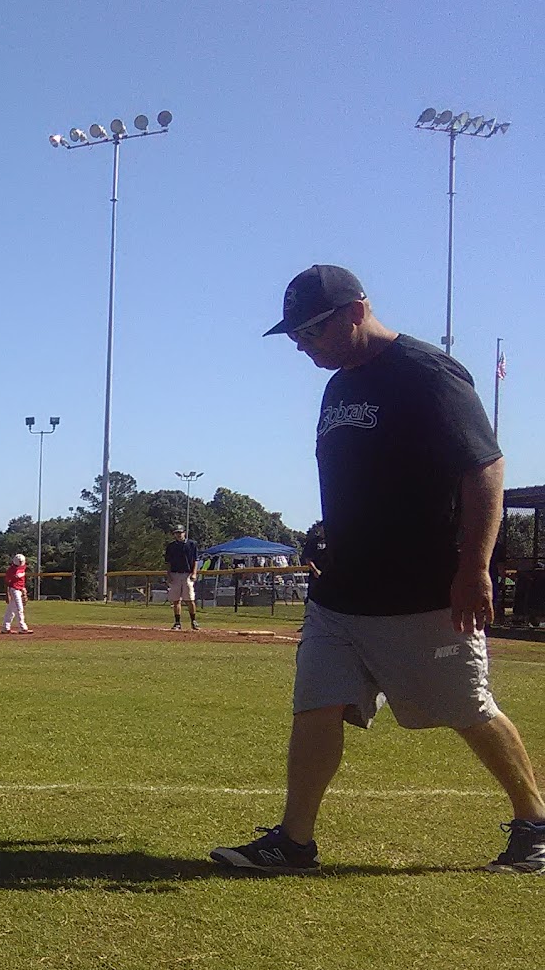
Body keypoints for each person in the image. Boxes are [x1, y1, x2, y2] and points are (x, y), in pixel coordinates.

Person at [213, 264, 545, 874]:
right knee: (316, 704)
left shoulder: (427, 375)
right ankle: (295, 841)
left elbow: (486, 469)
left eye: (310, 332)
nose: (301, 346)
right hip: (344, 592)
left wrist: (475, 568)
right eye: (294, 336)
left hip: (423, 591)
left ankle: (536, 823)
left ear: (355, 313)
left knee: (468, 709)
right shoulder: (338, 385)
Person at [164, 525, 201, 629]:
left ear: (184, 533)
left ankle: (193, 621)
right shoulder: (171, 546)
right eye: (177, 533)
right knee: (176, 600)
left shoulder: (191, 544)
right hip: (175, 574)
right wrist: (169, 575)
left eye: (180, 532)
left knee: (190, 599)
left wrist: (194, 573)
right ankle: (177, 622)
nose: (179, 535)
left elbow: (195, 560)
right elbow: (168, 562)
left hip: (187, 574)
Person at [1, 553, 30, 633]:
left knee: (11, 610)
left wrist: (24, 589)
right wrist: (7, 594)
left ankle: (5, 628)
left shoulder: (23, 567)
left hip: (19, 589)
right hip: (14, 590)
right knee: (19, 608)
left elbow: (21, 580)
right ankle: (22, 627)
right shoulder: (11, 570)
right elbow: (7, 583)